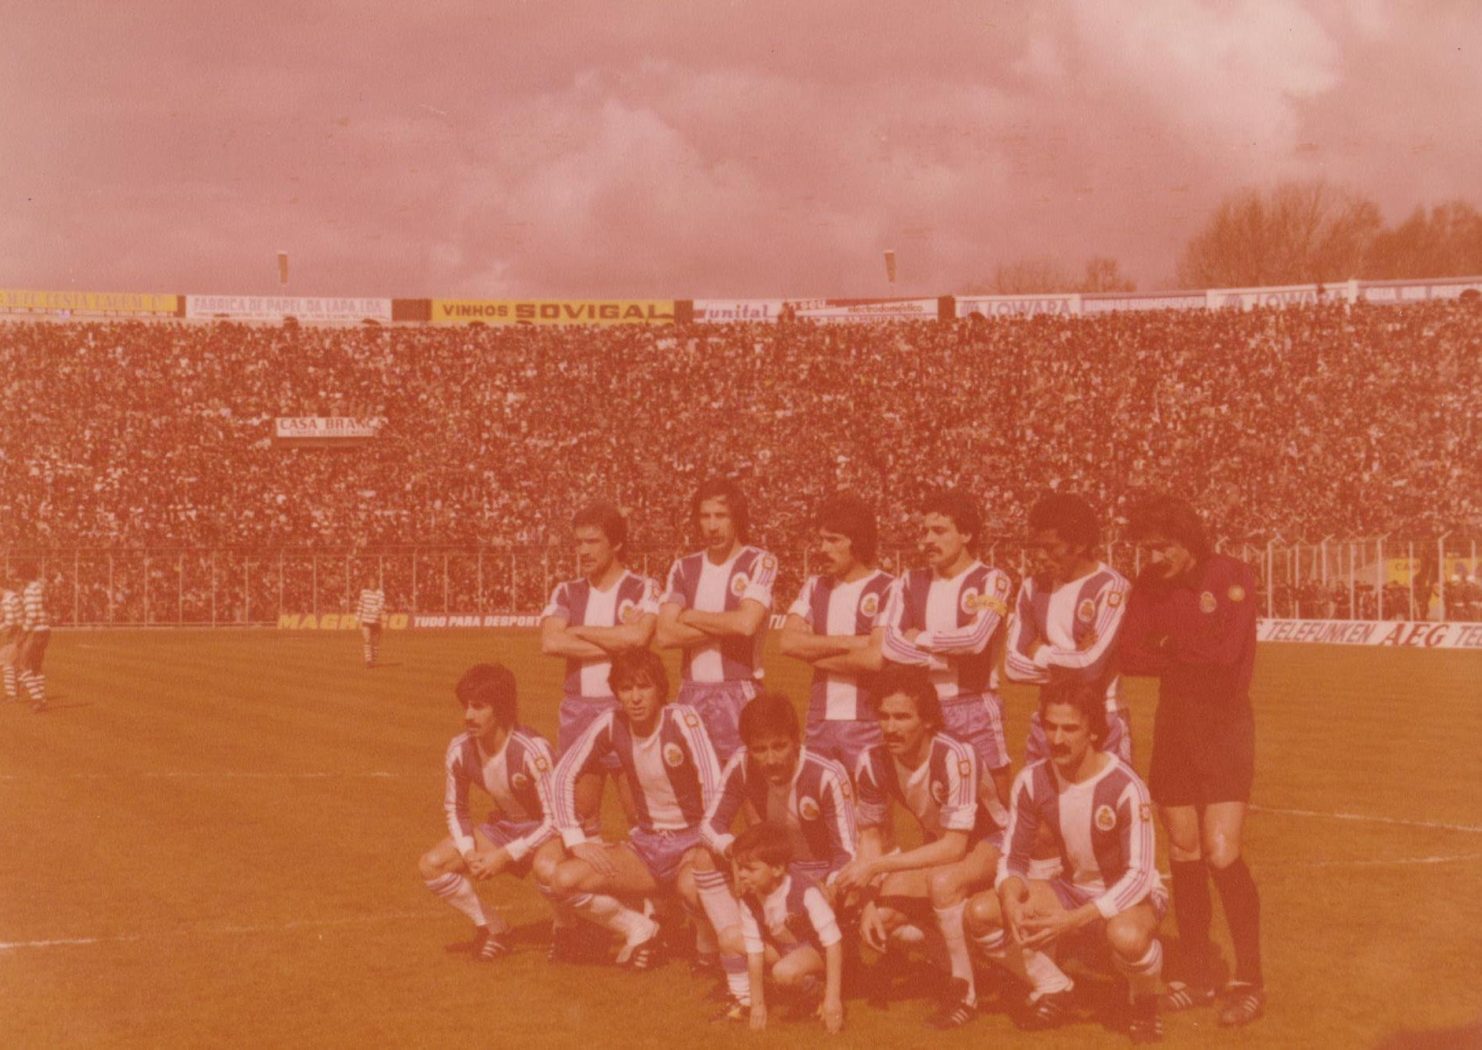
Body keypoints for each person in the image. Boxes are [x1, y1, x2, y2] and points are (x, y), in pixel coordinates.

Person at [1119, 495, 1265, 1027]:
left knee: (1222, 853)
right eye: (1147, 549)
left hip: (1224, 727)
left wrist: (1167, 645)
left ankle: (1249, 980)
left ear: (1188, 540)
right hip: (1175, 725)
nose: (1154, 558)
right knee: (1184, 850)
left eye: (1162, 547)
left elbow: (1227, 656)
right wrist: (1186, 648)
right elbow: (1128, 654)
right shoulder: (1147, 584)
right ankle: (1200, 976)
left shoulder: (1231, 574)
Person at [544, 649, 749, 1017]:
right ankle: (640, 928)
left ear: (660, 689)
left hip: (691, 842)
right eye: (626, 688)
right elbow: (562, 774)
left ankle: (710, 950)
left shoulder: (682, 719)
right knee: (564, 880)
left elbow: (712, 784)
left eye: (644, 687)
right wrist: (575, 839)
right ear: (616, 693)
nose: (635, 697)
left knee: (695, 890)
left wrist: (706, 846)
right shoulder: (611, 723)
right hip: (646, 848)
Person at [969, 680, 1166, 1042]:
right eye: (1050, 727)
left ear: (1094, 731)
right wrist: (1010, 897)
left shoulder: (1125, 785)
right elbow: (1013, 858)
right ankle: (1054, 985)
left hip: (1131, 896)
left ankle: (1144, 1002)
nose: (1057, 739)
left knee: (1125, 937)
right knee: (981, 913)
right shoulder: (1032, 781)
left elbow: (1139, 875)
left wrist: (1073, 921)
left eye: (1070, 728)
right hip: (1070, 889)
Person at [834, 665, 1000, 1029]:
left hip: (993, 842)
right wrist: (867, 902)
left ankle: (965, 994)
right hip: (939, 845)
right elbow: (870, 838)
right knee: (885, 919)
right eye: (884, 716)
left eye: (902, 717)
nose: (890, 727)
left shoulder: (956, 755)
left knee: (943, 882)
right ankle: (967, 963)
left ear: (927, 720)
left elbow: (955, 847)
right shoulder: (872, 761)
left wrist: (876, 868)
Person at [416, 663, 564, 962]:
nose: (468, 716)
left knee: (548, 870)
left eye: (479, 707)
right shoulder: (460, 749)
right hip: (506, 828)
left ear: (502, 709)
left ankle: (567, 927)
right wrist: (469, 851)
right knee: (433, 865)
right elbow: (456, 807)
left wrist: (505, 856)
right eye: (466, 706)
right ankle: (495, 928)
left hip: (549, 831)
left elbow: (557, 820)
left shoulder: (532, 750)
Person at [877, 491, 1014, 809]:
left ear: (966, 534)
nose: (927, 540)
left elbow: (976, 639)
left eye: (939, 531)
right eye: (925, 531)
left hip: (975, 706)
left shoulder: (992, 581)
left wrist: (921, 638)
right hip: (925, 712)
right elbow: (890, 644)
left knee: (996, 805)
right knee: (934, 808)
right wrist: (948, 659)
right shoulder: (910, 581)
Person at [539, 502, 660, 853]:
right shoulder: (566, 591)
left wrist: (578, 630)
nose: (583, 551)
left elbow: (638, 638)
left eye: (592, 542)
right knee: (583, 815)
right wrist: (616, 638)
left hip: (625, 710)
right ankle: (595, 884)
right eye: (578, 542)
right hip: (578, 710)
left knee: (639, 814)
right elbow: (550, 642)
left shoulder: (643, 587)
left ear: (616, 543)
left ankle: (649, 885)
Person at [1003, 493, 1133, 762]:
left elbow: (1091, 666)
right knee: (1037, 791)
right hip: (1048, 719)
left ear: (1080, 544)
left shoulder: (1111, 587)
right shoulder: (1032, 587)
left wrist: (1041, 653)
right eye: (1037, 547)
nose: (1040, 556)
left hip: (1101, 717)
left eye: (1051, 548)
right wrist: (1075, 660)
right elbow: (1012, 667)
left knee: (1106, 791)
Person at [657, 477, 777, 762]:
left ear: (737, 518)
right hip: (691, 692)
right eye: (705, 516)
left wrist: (690, 615)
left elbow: (746, 624)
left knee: (747, 780)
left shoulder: (759, 562)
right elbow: (665, 634)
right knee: (692, 781)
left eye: (721, 516)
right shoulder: (684, 568)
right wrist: (728, 623)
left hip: (739, 690)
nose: (712, 525)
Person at [779, 494, 894, 773]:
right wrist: (857, 642)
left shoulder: (889, 588)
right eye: (821, 540)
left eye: (833, 540)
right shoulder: (815, 586)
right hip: (819, 721)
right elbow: (788, 642)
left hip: (868, 721)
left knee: (869, 799)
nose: (823, 548)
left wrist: (813, 654)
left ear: (858, 542)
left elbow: (874, 659)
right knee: (818, 798)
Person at [701, 692, 856, 891]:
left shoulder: (827, 775)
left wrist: (829, 888)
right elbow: (709, 825)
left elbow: (846, 854)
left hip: (821, 871)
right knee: (703, 862)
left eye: (779, 746)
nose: (771, 760)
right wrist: (736, 850)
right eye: (759, 750)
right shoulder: (742, 764)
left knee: (850, 889)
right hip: (774, 869)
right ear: (748, 748)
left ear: (797, 740)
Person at [732, 823, 846, 1035]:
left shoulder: (804, 890)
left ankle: (821, 993)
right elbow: (754, 952)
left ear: (777, 869)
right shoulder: (749, 895)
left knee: (783, 972)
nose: (742, 875)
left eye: (751, 869)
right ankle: (744, 1000)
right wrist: (758, 1004)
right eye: (740, 868)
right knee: (730, 938)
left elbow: (833, 943)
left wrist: (833, 999)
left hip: (816, 951)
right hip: (785, 947)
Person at [16, 560, 49, 712]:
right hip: (45, 629)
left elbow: (32, 614)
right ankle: (41, 697)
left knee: (23, 665)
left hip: (34, 630)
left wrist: (23, 632)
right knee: (36, 666)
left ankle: (38, 699)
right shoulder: (41, 588)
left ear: (25, 576)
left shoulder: (29, 590)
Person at [355, 573, 386, 668]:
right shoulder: (364, 592)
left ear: (376, 583)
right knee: (367, 640)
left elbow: (381, 605)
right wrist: (357, 616)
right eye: (370, 582)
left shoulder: (380, 593)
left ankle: (374, 659)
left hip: (376, 620)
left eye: (374, 582)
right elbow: (360, 604)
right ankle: (368, 660)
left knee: (375, 642)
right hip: (366, 620)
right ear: (368, 583)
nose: (372, 584)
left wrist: (374, 609)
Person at [0, 573, 21, 702]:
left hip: (17, 634)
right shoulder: (12, 597)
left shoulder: (7, 601)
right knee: (5, 661)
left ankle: (12, 693)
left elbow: (10, 621)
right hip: (18, 633)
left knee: (7, 662)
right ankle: (14, 689)